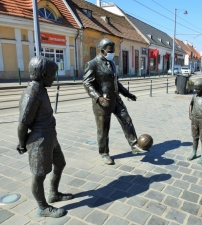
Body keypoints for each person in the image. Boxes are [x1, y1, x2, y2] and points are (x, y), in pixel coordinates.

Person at [17, 56, 73, 218]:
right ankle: (42, 207)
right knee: (39, 174)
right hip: (39, 140)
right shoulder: (31, 94)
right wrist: (22, 144)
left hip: (50, 135)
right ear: (43, 74)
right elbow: (22, 124)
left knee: (60, 163)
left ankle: (54, 193)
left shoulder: (41, 89)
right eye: (52, 74)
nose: (54, 78)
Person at [83, 38, 147, 165]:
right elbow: (87, 83)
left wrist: (127, 93)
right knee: (103, 130)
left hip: (116, 99)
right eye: (110, 51)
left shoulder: (111, 63)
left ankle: (134, 145)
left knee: (127, 120)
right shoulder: (92, 64)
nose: (112, 53)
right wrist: (98, 97)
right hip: (103, 103)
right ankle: (104, 153)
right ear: (102, 51)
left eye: (113, 50)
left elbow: (115, 82)